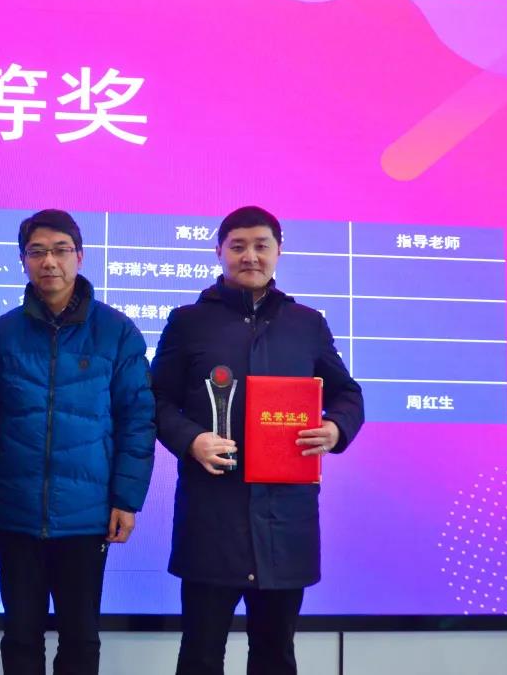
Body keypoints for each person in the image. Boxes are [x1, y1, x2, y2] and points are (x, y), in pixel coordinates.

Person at [151, 206, 364, 675]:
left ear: (278, 251)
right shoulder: (188, 322)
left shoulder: (306, 323)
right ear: (219, 252)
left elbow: (348, 394)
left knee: (275, 655)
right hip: (212, 516)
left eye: (261, 245)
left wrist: (335, 428)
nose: (250, 256)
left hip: (284, 520)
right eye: (238, 246)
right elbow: (156, 399)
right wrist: (191, 440)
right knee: (200, 655)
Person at [0, 209, 156, 675]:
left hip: (87, 517)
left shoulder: (116, 332)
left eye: (60, 250)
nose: (49, 261)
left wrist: (126, 499)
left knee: (80, 638)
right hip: (15, 512)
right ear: (23, 260)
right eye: (37, 252)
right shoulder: (1, 335)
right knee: (20, 637)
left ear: (80, 256)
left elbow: (137, 419)